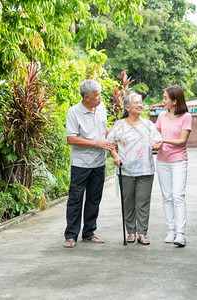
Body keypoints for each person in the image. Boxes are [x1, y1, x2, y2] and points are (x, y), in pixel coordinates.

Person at [63, 79, 115, 248]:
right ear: (86, 97)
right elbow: (71, 139)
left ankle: (89, 232)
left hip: (99, 163)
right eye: (97, 95)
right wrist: (96, 143)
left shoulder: (101, 108)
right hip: (81, 164)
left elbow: (103, 128)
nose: (100, 97)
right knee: (75, 199)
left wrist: (111, 142)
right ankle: (71, 235)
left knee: (94, 198)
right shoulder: (74, 112)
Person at [108, 93, 162, 245]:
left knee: (143, 202)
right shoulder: (119, 125)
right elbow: (110, 143)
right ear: (127, 107)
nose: (140, 105)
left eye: (140, 102)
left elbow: (158, 139)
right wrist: (115, 156)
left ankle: (142, 233)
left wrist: (157, 144)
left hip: (145, 169)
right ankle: (130, 232)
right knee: (128, 202)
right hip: (125, 170)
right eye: (136, 103)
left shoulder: (148, 124)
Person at [153, 85, 192, 247]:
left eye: (165, 98)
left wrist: (164, 140)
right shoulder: (161, 116)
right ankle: (171, 230)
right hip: (162, 160)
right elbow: (155, 136)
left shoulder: (186, 117)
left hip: (178, 161)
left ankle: (180, 233)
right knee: (167, 197)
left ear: (175, 101)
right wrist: (155, 143)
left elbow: (182, 141)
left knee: (177, 196)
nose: (163, 101)